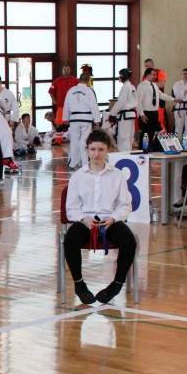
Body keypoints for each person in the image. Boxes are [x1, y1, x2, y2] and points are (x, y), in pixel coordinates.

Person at [64, 129, 136, 305]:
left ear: (108, 150)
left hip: (109, 220)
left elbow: (125, 205)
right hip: (85, 221)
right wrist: (83, 219)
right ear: (87, 150)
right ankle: (79, 284)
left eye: (101, 150)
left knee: (129, 241)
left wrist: (113, 218)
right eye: (93, 149)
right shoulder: (77, 177)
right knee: (70, 240)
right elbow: (71, 208)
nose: (96, 154)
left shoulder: (117, 175)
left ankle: (117, 284)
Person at [63, 72, 101, 169]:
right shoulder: (89, 91)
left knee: (74, 140)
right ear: (88, 81)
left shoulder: (71, 90)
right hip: (86, 119)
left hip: (74, 119)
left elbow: (66, 105)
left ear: (79, 79)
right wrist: (97, 120)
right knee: (84, 141)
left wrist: (65, 118)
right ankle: (84, 163)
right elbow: (94, 106)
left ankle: (72, 163)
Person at [137, 67, 178, 151]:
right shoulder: (142, 86)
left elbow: (162, 95)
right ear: (147, 75)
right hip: (146, 113)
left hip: (154, 113)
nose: (155, 76)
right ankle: (144, 150)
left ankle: (150, 149)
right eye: (153, 74)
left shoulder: (154, 85)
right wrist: (141, 114)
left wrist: (174, 99)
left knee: (152, 133)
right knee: (145, 134)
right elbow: (138, 101)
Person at [110, 68, 138, 152]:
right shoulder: (132, 87)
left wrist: (112, 113)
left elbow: (121, 102)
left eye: (120, 75)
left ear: (124, 76)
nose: (119, 77)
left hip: (125, 115)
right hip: (131, 115)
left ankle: (124, 156)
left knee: (124, 138)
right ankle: (128, 155)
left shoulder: (126, 87)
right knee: (129, 137)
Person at [171, 68, 187, 141]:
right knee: (178, 126)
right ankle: (178, 143)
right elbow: (176, 94)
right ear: (181, 74)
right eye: (184, 73)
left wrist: (184, 93)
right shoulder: (177, 84)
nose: (185, 75)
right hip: (179, 106)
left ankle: (186, 143)